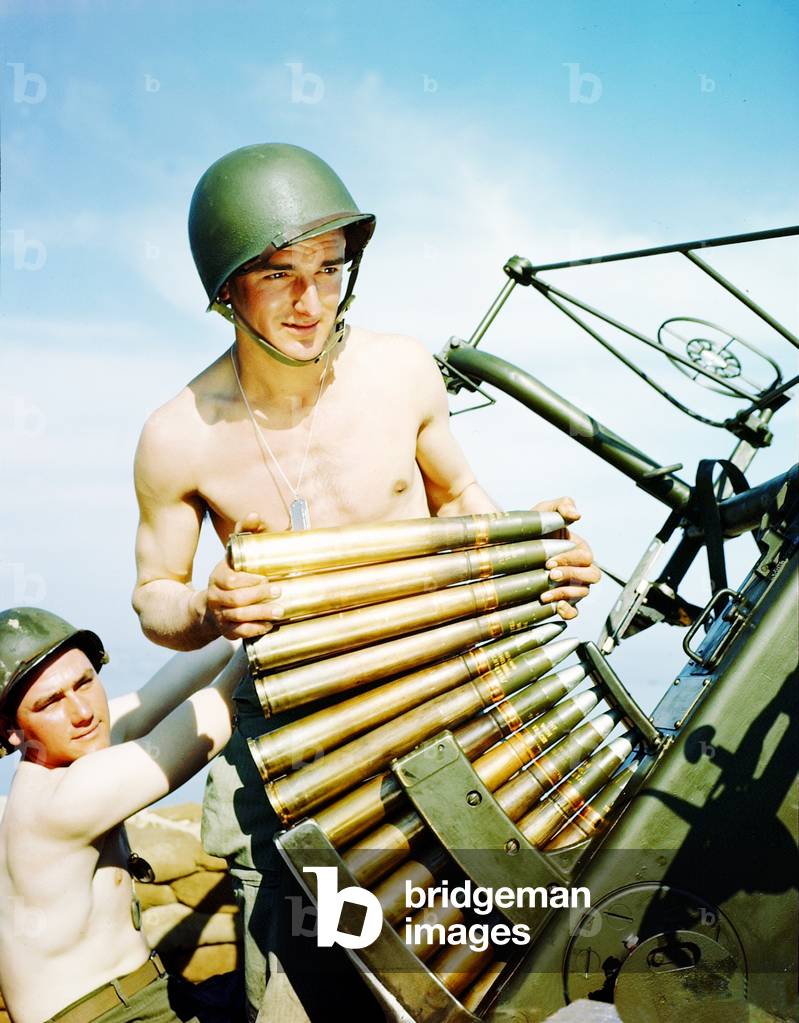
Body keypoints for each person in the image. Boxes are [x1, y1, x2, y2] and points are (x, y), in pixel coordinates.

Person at [131, 143, 601, 1020]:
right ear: (227, 288)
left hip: (437, 707)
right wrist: (207, 604)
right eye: (278, 274)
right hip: (295, 740)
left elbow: (459, 495)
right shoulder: (179, 433)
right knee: (308, 972)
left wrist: (538, 563)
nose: (311, 300)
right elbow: (155, 591)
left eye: (328, 268)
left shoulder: (399, 370)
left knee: (481, 947)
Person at [0, 606, 247, 1023]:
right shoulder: (58, 800)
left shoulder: (71, 747)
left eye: (85, 682)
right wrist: (268, 637)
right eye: (50, 703)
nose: (82, 711)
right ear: (12, 731)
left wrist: (239, 619)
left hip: (145, 995)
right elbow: (214, 718)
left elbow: (159, 692)